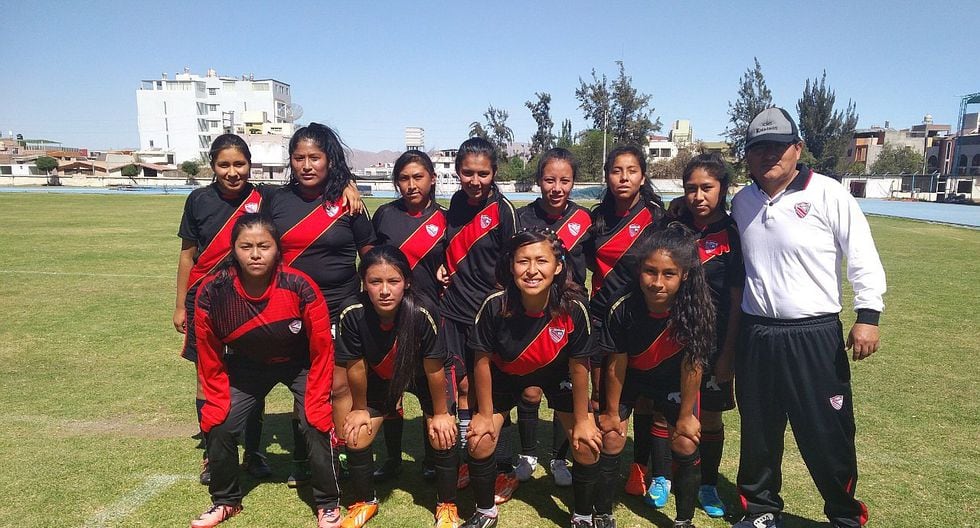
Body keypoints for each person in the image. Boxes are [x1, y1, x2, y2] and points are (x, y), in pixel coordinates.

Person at [729, 108, 886, 528]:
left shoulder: (828, 193)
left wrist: (868, 314)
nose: (769, 155)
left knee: (826, 431)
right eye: (759, 148)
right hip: (757, 333)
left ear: (797, 148)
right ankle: (760, 510)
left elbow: (862, 255)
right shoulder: (742, 202)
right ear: (748, 155)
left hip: (813, 334)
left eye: (778, 147)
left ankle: (844, 515)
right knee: (759, 432)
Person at [189, 213, 341, 528]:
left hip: (299, 362)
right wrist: (216, 400)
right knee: (220, 422)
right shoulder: (214, 291)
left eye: (264, 246)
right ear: (233, 250)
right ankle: (226, 501)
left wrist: (316, 398)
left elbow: (322, 348)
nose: (255, 254)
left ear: (277, 249)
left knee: (315, 422)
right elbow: (208, 351)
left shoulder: (300, 285)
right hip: (248, 364)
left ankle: (327, 504)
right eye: (246, 247)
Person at [462, 228, 601, 528]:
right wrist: (484, 414)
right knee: (479, 441)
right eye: (523, 261)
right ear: (511, 265)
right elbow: (481, 361)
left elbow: (580, 367)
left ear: (558, 266)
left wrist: (584, 419)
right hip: (506, 376)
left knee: (587, 444)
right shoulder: (495, 304)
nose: (532, 270)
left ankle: (583, 516)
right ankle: (485, 511)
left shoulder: (574, 308)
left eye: (542, 261)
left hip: (557, 376)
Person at [266, 122, 376, 487]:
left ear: (330, 159)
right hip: (291, 309)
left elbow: (370, 257)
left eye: (315, 157)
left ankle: (340, 452)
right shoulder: (276, 201)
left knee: (338, 387)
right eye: (299, 158)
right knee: (304, 387)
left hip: (339, 307)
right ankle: (303, 457)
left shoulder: (349, 202)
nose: (306, 165)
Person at [595, 223, 716, 528]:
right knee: (611, 437)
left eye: (669, 274)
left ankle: (684, 520)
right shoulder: (622, 306)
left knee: (686, 441)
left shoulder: (696, 308)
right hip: (630, 378)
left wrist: (686, 416)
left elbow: (693, 364)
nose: (657, 282)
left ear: (684, 275)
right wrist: (611, 412)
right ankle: (602, 513)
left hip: (672, 381)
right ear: (639, 270)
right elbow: (616, 363)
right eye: (650, 271)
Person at [334, 246, 460, 528]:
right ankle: (365, 501)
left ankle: (447, 504)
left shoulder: (423, 311)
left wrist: (441, 414)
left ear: (407, 282)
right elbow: (355, 366)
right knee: (356, 435)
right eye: (375, 282)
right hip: (381, 375)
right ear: (363, 283)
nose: (384, 291)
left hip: (424, 375)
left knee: (442, 433)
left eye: (393, 281)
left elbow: (434, 368)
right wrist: (358, 409)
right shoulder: (351, 312)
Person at [174, 134, 270, 484]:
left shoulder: (264, 198)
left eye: (239, 164)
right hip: (204, 301)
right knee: (207, 378)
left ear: (250, 165)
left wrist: (348, 184)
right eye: (224, 165)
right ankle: (213, 457)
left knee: (253, 377)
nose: (232, 172)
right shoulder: (198, 200)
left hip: (250, 301)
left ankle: (254, 453)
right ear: (212, 166)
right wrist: (180, 305)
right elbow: (187, 255)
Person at [583, 145, 666, 502]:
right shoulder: (596, 218)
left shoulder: (657, 217)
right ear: (607, 176)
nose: (624, 178)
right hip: (602, 316)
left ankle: (641, 466)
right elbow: (586, 261)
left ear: (642, 177)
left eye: (631, 171)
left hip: (643, 318)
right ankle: (599, 466)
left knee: (645, 397)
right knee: (604, 395)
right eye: (616, 171)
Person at [436, 137, 518, 499]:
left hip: (490, 315)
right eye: (467, 172)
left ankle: (504, 467)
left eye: (482, 173)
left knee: (493, 392)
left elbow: (515, 262)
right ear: (458, 172)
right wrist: (443, 265)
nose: (475, 180)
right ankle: (472, 458)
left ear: (494, 173)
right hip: (454, 310)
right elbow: (452, 247)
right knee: (465, 387)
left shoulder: (504, 211)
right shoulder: (455, 204)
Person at [513, 148, 592, 486]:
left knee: (566, 388)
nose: (556, 187)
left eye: (564, 180)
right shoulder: (520, 218)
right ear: (538, 180)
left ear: (573, 182)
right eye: (549, 180)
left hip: (568, 316)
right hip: (529, 313)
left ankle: (559, 459)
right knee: (530, 390)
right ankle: (528, 454)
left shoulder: (586, 219)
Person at [370, 150, 447, 481]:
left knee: (430, 390)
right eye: (404, 178)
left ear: (432, 178)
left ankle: (432, 459)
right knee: (390, 390)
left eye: (418, 177)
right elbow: (371, 262)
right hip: (390, 315)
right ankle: (392, 459)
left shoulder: (445, 219)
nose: (411, 185)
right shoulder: (384, 216)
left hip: (430, 318)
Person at [675, 153, 744, 518]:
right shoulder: (675, 227)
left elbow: (736, 299)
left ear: (722, 189)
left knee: (712, 417)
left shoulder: (732, 233)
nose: (698, 196)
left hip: (715, 342)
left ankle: (708, 483)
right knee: (671, 410)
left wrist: (728, 354)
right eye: (691, 188)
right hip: (674, 338)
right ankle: (664, 476)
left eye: (706, 188)